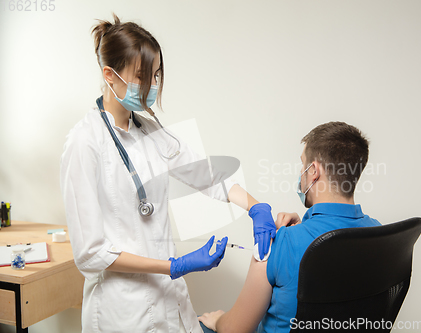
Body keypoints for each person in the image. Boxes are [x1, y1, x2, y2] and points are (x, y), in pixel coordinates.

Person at [60, 14, 276, 333]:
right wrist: (175, 266)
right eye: (143, 75)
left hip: (168, 303)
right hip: (122, 311)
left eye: (157, 75)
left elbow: (206, 173)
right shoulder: (84, 142)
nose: (153, 85)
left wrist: (256, 207)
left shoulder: (151, 131)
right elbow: (90, 255)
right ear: (110, 75)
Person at [198, 121, 382, 333]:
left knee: (198, 322)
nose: (301, 173)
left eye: (302, 164)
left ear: (313, 171)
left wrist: (219, 320)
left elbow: (235, 330)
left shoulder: (281, 243)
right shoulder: (377, 232)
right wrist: (303, 228)